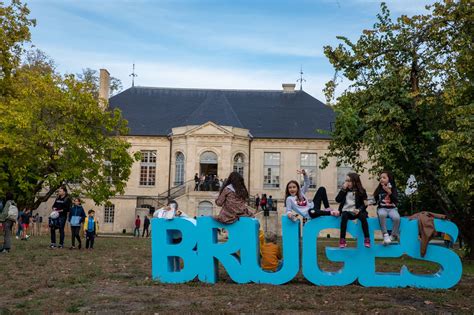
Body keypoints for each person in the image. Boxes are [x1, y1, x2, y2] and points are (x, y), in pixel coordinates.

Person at [336, 172, 370, 248]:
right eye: (346, 180)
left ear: (355, 181)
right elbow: (337, 200)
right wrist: (343, 189)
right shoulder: (345, 190)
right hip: (347, 212)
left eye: (349, 181)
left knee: (363, 217)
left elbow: (365, 204)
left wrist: (359, 209)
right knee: (344, 216)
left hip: (357, 211)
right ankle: (342, 239)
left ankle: (367, 238)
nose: (347, 183)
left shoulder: (362, 191)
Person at [374, 170, 400, 245]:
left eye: (384, 177)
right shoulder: (379, 189)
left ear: (389, 179)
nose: (381, 179)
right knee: (381, 215)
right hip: (382, 208)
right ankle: (385, 234)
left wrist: (389, 192)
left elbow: (395, 200)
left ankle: (393, 235)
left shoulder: (393, 189)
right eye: (380, 178)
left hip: (392, 208)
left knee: (397, 218)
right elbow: (375, 200)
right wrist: (371, 202)